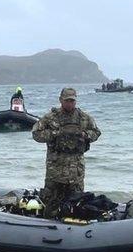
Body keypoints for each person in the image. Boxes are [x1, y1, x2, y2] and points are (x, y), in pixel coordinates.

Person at [31, 87, 101, 218]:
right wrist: (55, 133)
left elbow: (96, 132)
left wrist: (84, 134)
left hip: (76, 170)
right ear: (60, 100)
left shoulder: (84, 118)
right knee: (50, 203)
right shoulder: (51, 118)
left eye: (72, 101)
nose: (70, 103)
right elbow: (36, 134)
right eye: (67, 100)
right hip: (55, 169)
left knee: (76, 203)